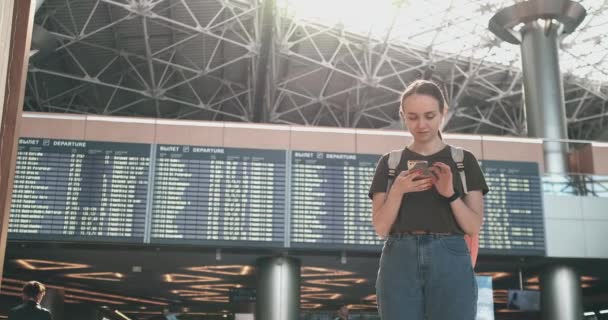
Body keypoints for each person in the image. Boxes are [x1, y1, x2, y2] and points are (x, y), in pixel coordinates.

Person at [368, 80, 489, 320]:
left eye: (429, 116)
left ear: (443, 112)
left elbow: (473, 226)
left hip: (450, 253)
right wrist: (398, 191)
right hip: (399, 254)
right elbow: (381, 228)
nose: (421, 125)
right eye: (412, 117)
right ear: (402, 116)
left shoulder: (464, 161)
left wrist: (450, 194)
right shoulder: (390, 164)